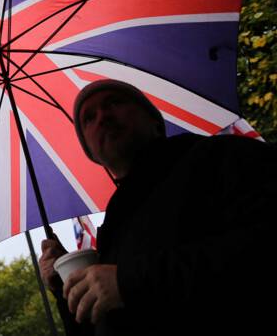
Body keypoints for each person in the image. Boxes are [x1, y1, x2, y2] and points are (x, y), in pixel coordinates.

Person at [39, 79, 277, 335]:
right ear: (92, 153)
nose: (103, 117)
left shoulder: (220, 157)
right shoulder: (113, 232)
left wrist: (129, 282)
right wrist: (64, 288)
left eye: (115, 103)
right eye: (89, 118)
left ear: (155, 121)